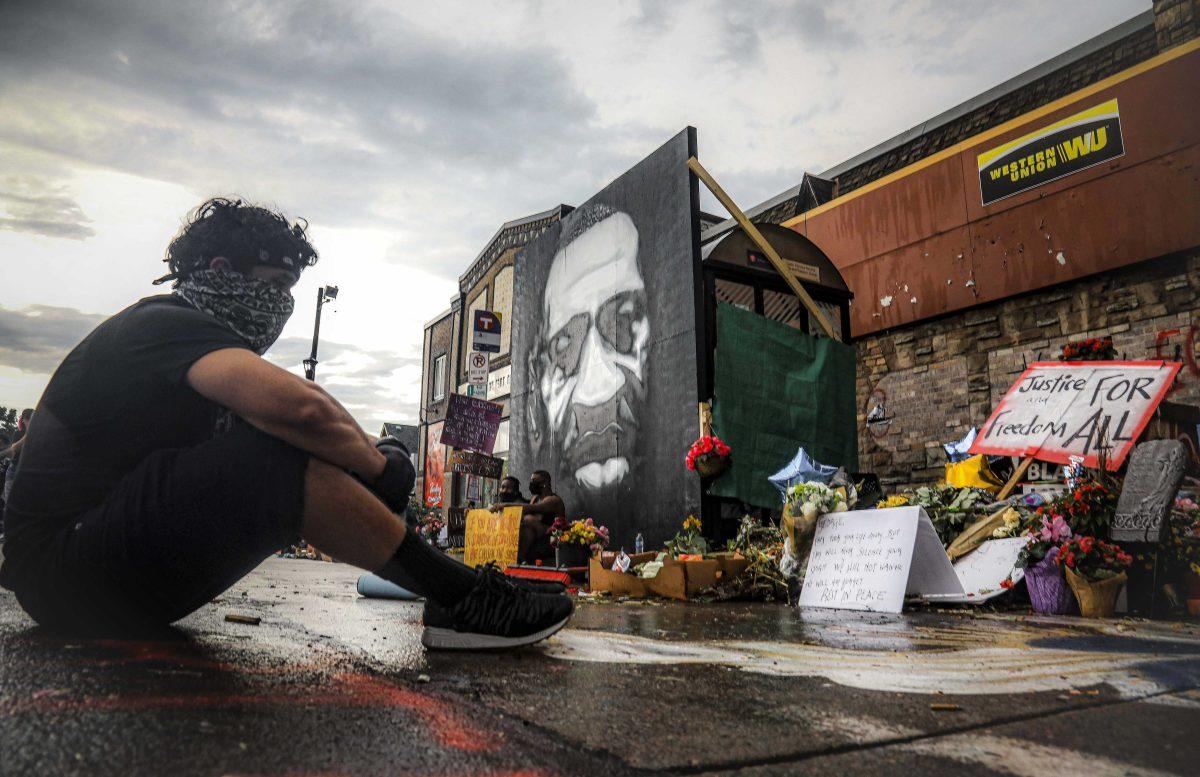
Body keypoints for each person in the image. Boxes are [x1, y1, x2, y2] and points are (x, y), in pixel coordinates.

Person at [0, 197, 572, 650]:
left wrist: (371, 454)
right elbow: (299, 408)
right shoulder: (164, 323)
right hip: (67, 576)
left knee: (275, 440)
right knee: (271, 453)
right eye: (274, 285)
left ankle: (457, 594)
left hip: (77, 579)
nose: (281, 304)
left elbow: (298, 406)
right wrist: (384, 465)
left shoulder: (176, 343)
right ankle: (463, 599)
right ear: (222, 271)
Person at [517, 470, 567, 564]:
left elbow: (533, 509)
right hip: (537, 537)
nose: (532, 484)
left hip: (552, 540)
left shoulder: (553, 500)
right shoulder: (535, 498)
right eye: (531, 481)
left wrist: (504, 505)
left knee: (528, 520)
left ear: (545, 483)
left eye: (534, 481)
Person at [1, 409, 34, 541]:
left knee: (26, 503)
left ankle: (22, 532)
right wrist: (29, 434)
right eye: (31, 418)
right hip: (14, 472)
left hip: (27, 472)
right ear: (25, 420)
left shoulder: (38, 434)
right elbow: (15, 449)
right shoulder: (18, 433)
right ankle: (9, 533)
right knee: (9, 504)